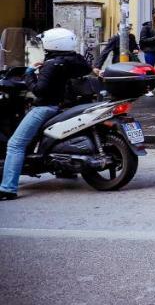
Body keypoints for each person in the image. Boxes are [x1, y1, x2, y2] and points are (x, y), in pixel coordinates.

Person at [1, 28, 93, 201]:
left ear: (53, 44)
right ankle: (65, 170)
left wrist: (29, 74)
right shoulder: (73, 61)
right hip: (63, 106)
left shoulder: (51, 64)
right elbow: (84, 68)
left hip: (45, 108)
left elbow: (39, 90)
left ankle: (8, 188)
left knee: (15, 144)